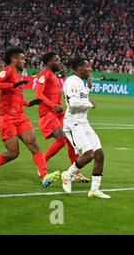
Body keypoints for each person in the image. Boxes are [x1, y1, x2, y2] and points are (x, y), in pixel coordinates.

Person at [0, 47, 60, 187]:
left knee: (33, 144)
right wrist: (12, 84)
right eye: (22, 58)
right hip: (7, 118)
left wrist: (29, 103)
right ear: (14, 59)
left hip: (21, 116)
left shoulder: (19, 75)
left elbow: (16, 97)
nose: (25, 61)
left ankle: (44, 176)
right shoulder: (7, 70)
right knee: (13, 153)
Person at [35, 52, 89, 182]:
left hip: (59, 113)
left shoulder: (54, 76)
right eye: (56, 60)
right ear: (48, 62)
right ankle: (42, 164)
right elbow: (38, 94)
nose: (59, 62)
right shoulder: (44, 73)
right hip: (48, 113)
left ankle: (75, 172)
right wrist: (52, 105)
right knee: (61, 139)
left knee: (71, 141)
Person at [60, 58, 110, 199]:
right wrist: (90, 104)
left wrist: (88, 86)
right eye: (87, 67)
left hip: (83, 122)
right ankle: (67, 175)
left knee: (99, 154)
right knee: (89, 154)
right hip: (73, 123)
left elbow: (80, 95)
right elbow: (73, 103)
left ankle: (94, 190)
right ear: (78, 68)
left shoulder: (79, 82)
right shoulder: (71, 81)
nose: (90, 69)